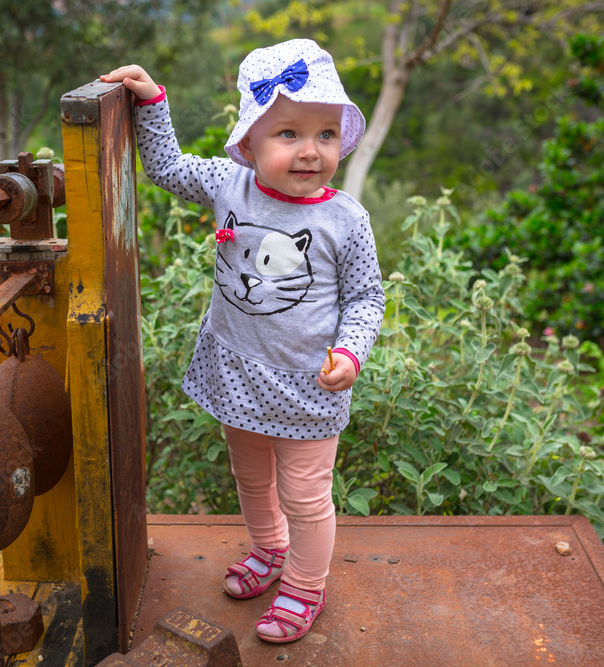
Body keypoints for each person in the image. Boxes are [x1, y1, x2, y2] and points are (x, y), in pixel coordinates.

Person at [101, 38, 385, 644]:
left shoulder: (345, 220)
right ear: (249, 141)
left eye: (325, 135)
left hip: (310, 386)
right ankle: (269, 549)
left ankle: (306, 587)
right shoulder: (231, 185)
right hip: (237, 371)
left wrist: (351, 353)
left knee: (306, 497)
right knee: (251, 479)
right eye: (288, 133)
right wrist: (152, 102)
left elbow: (366, 299)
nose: (310, 151)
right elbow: (167, 169)